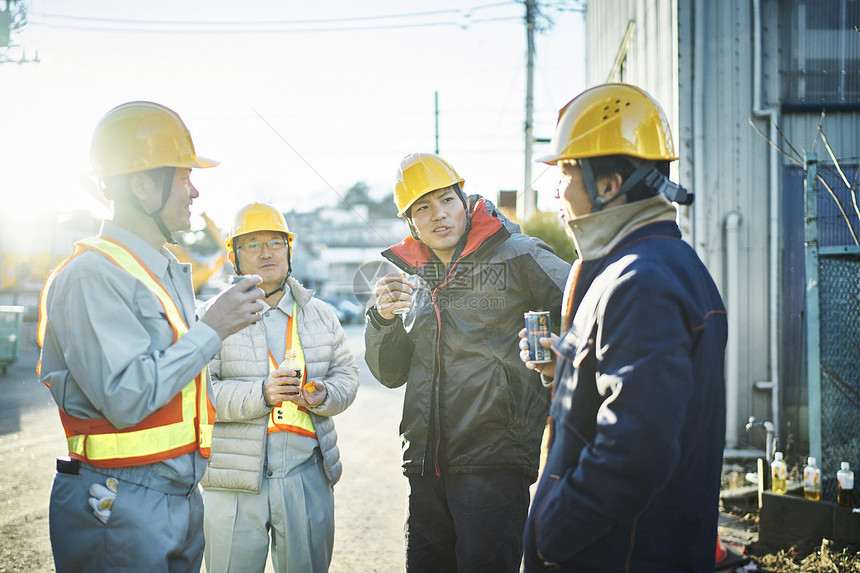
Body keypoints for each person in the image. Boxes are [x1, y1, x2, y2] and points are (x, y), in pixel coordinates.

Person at [37, 101, 266, 573]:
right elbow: (126, 395)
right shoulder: (91, 275)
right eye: (184, 177)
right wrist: (213, 327)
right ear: (142, 185)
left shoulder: (157, 271)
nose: (195, 190)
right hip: (118, 499)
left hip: (175, 496)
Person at [518, 83, 727, 572]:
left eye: (566, 172)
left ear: (608, 185)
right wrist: (563, 371)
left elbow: (635, 448)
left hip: (622, 557)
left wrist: (551, 531)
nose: (556, 191)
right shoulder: (657, 263)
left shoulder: (640, 280)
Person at [364, 152, 571, 573]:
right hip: (426, 465)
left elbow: (588, 308)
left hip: (494, 461)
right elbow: (391, 375)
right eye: (423, 207)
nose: (438, 215)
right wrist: (382, 321)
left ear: (465, 199)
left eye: (446, 200)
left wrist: (556, 354)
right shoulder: (417, 280)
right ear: (410, 221)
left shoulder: (519, 254)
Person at [200, 202, 359, 573]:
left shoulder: (321, 314)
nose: (266, 252)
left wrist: (326, 395)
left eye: (275, 242)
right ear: (234, 257)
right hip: (233, 480)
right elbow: (198, 393)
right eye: (252, 244)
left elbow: (347, 376)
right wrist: (262, 394)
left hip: (305, 476)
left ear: (290, 249)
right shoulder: (211, 315)